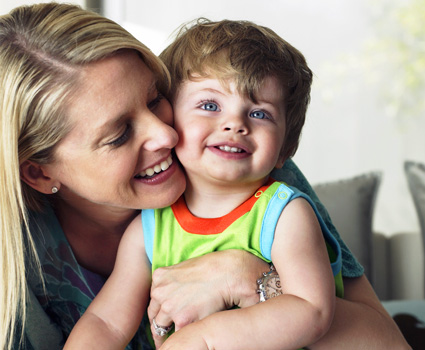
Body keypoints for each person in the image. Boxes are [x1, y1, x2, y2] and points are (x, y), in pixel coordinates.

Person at [0, 3, 409, 350]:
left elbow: (386, 341)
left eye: (155, 98)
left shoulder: (255, 177)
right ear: (38, 172)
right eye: (120, 134)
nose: (165, 134)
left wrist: (250, 280)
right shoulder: (134, 234)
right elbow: (104, 325)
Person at [66, 18, 345, 350]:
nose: (234, 124)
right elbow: (106, 322)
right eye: (210, 106)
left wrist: (205, 339)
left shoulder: (284, 214)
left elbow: (312, 310)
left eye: (259, 113)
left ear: (286, 149)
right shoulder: (150, 228)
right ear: (171, 119)